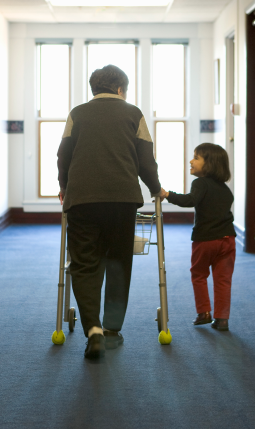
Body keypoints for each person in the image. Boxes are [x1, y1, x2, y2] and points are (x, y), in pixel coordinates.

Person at [57, 64, 163, 359]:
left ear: (94, 89)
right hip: (122, 200)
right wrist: (156, 188)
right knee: (117, 263)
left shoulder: (77, 113)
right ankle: (113, 330)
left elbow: (63, 155)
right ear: (120, 89)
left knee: (84, 263)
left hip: (82, 200)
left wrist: (64, 187)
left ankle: (93, 329)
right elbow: (145, 160)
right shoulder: (133, 113)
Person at [159, 143, 235, 331]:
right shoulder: (225, 189)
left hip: (206, 239)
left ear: (209, 163)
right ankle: (222, 319)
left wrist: (167, 194)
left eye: (196, 157)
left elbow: (190, 201)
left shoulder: (200, 183)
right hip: (228, 240)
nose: (191, 161)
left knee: (199, 274)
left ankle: (204, 313)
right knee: (223, 279)